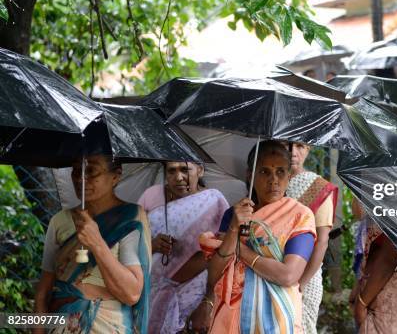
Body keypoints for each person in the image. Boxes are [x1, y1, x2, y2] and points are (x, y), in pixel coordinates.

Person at [200, 141, 316, 333]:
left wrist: (241, 249)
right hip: (231, 317)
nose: (273, 180)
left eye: (280, 172)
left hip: (277, 318)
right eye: (264, 171)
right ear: (250, 174)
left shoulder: (299, 215)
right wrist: (233, 229)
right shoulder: (234, 214)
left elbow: (288, 275)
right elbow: (213, 276)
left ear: (289, 175)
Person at [34, 154, 151, 334]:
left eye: (91, 170)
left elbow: (131, 294)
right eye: (76, 170)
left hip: (110, 326)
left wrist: (97, 243)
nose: (81, 178)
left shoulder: (129, 219)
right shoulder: (59, 221)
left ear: (115, 176)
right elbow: (43, 292)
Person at [138, 161, 229, 333]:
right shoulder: (154, 202)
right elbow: (133, 244)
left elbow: (225, 250)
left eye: (185, 170)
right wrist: (153, 245)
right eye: (171, 171)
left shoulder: (214, 201)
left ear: (200, 170)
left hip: (198, 293)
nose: (178, 177)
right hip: (153, 292)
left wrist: (208, 300)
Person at [284, 143, 338, 334]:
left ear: (308, 150)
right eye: (286, 144)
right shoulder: (268, 183)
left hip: (305, 276)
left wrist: (302, 284)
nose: (293, 152)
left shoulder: (319, 188)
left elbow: (322, 242)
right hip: (270, 269)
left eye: (300, 146)